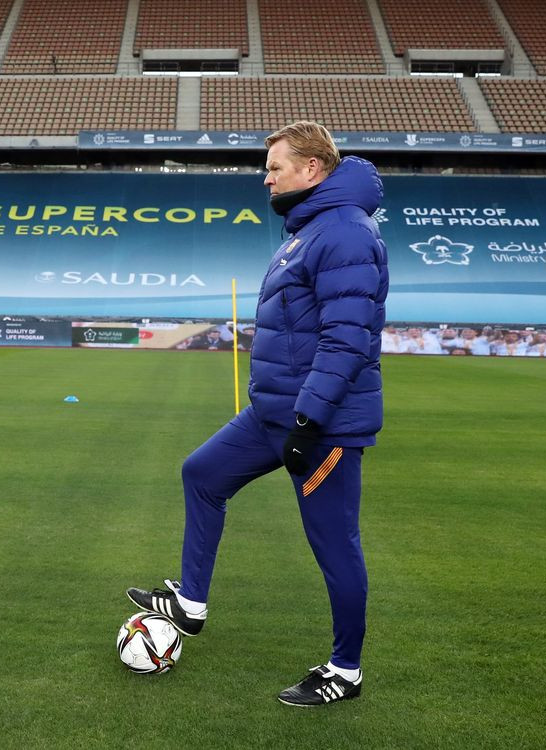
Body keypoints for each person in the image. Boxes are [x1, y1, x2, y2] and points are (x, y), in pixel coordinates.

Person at [127, 122, 388, 706]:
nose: (265, 176)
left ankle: (345, 671)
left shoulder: (345, 232)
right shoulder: (310, 228)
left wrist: (310, 421)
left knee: (334, 543)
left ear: (313, 168)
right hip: (273, 414)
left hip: (322, 426)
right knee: (202, 473)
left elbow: (346, 341)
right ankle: (190, 605)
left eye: (274, 166)